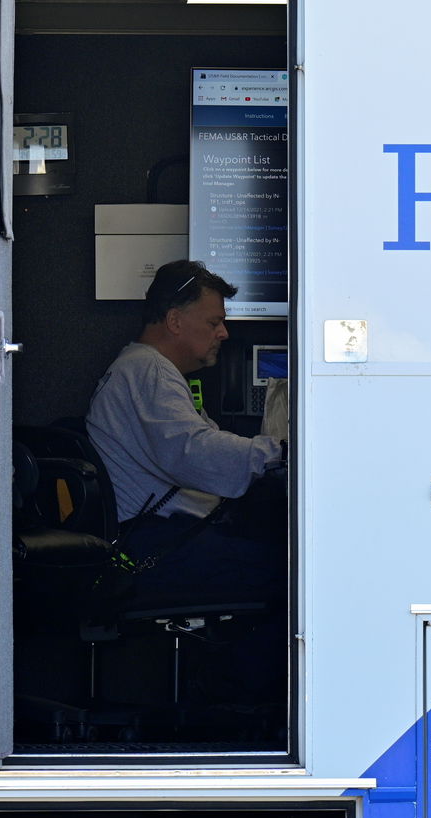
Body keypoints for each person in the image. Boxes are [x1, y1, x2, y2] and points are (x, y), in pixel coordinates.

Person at [87, 259, 284, 605]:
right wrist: (278, 451)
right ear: (175, 320)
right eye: (214, 322)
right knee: (293, 573)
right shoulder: (150, 372)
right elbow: (193, 451)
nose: (224, 333)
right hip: (159, 546)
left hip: (155, 538)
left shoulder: (141, 369)